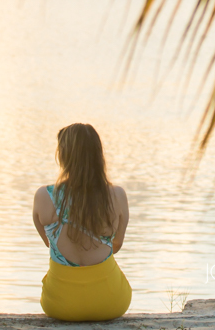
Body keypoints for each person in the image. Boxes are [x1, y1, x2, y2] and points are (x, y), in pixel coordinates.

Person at [33, 123, 131, 321]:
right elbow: (116, 245)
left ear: (63, 155)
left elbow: (49, 243)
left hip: (60, 304)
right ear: (98, 154)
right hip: (110, 301)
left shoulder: (44, 196)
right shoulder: (117, 195)